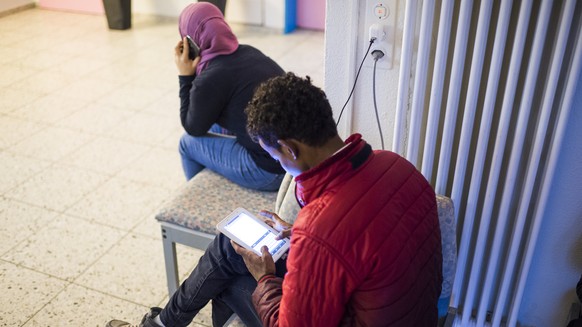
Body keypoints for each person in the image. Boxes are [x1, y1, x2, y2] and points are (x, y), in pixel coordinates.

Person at [107, 73, 443, 327]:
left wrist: (266, 277)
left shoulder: (320, 227)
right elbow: (362, 247)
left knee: (227, 282)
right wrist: (296, 235)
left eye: (275, 155)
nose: (280, 164)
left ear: (290, 148)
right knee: (229, 244)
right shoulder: (397, 165)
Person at [175, 2, 285, 191]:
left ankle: (198, 196)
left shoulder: (210, 78)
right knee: (213, 122)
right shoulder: (249, 51)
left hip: (269, 171)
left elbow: (192, 127)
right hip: (294, 156)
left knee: (187, 143)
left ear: (189, 42)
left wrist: (185, 76)